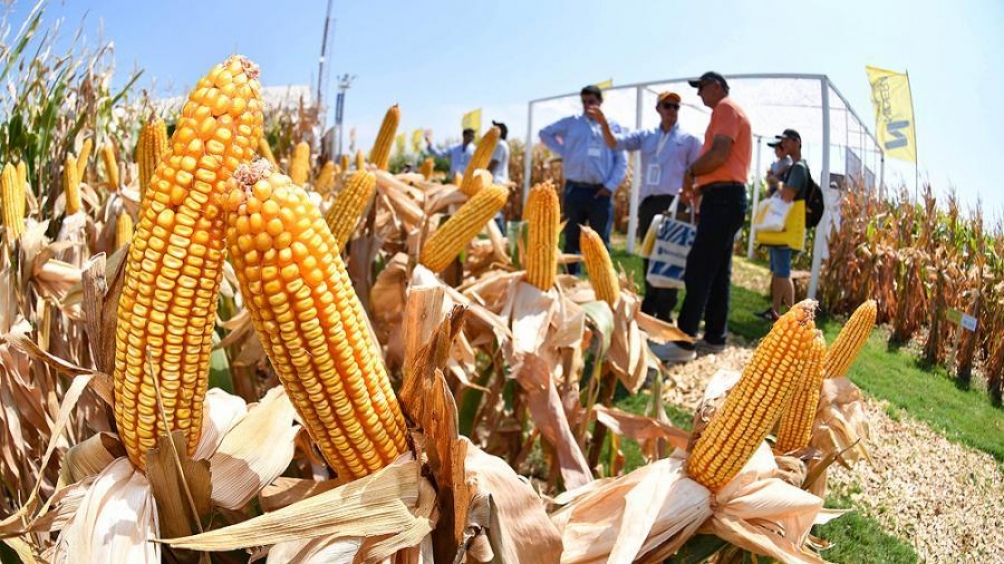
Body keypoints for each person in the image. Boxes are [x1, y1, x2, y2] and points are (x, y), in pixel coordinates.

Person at [660, 71, 752, 363]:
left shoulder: (725, 108)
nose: (698, 95)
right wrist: (701, 188)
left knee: (698, 267)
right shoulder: (729, 111)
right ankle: (715, 336)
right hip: (725, 197)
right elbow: (724, 163)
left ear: (716, 86)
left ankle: (683, 341)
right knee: (718, 271)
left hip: (723, 199)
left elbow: (720, 153)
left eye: (701, 88)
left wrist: (691, 172)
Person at [591, 91, 702, 323]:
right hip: (649, 203)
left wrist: (695, 204)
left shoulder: (689, 140)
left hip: (675, 203)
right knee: (650, 253)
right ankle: (649, 306)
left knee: (670, 257)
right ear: (658, 108)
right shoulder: (646, 136)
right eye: (668, 106)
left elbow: (698, 173)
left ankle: (665, 311)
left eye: (676, 106)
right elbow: (614, 143)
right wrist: (603, 123)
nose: (672, 110)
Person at [539, 85, 628, 274]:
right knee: (572, 238)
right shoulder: (572, 123)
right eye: (585, 102)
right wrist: (565, 151)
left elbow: (622, 161)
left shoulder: (612, 126)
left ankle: (602, 283)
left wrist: (610, 186)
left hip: (600, 192)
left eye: (592, 102)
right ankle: (572, 280)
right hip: (575, 190)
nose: (588, 105)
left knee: (600, 241)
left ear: (600, 102)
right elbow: (544, 133)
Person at [755, 129, 809, 321]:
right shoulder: (795, 167)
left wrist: (774, 182)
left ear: (796, 142)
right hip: (781, 229)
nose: (783, 145)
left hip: (787, 229)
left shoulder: (798, 168)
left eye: (785, 142)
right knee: (778, 273)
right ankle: (776, 312)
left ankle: (794, 319)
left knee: (784, 273)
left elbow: (787, 195)